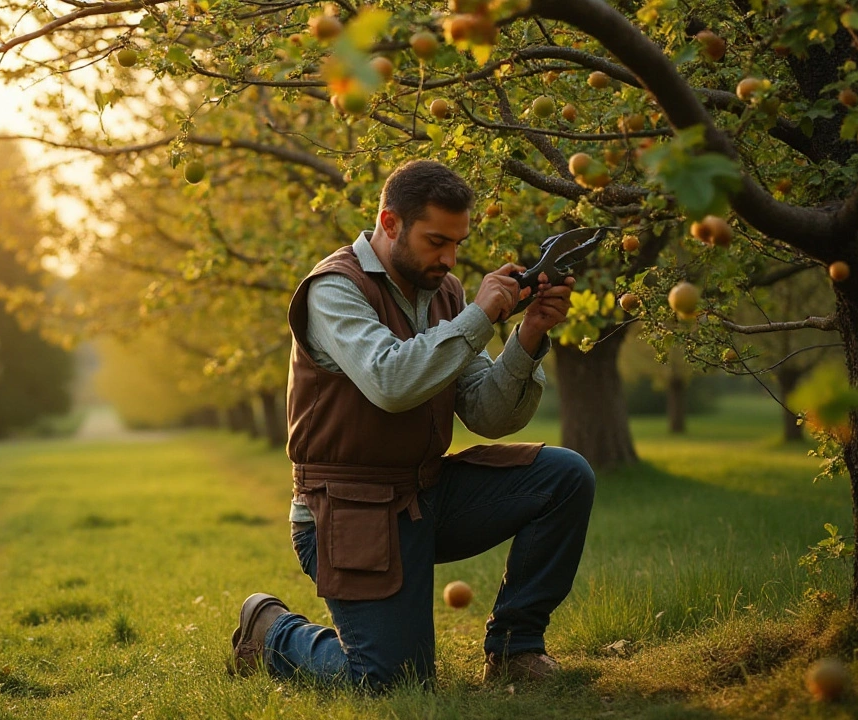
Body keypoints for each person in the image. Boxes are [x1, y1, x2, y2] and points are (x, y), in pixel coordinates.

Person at [228, 160, 596, 690]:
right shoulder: (333, 290)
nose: (449, 259)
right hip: (345, 516)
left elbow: (490, 416)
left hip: (425, 496)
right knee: (393, 681)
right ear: (391, 222)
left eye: (457, 244)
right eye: (436, 242)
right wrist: (481, 316)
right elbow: (390, 382)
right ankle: (271, 632)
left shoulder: (445, 292)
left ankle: (515, 648)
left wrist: (530, 334)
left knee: (564, 476)